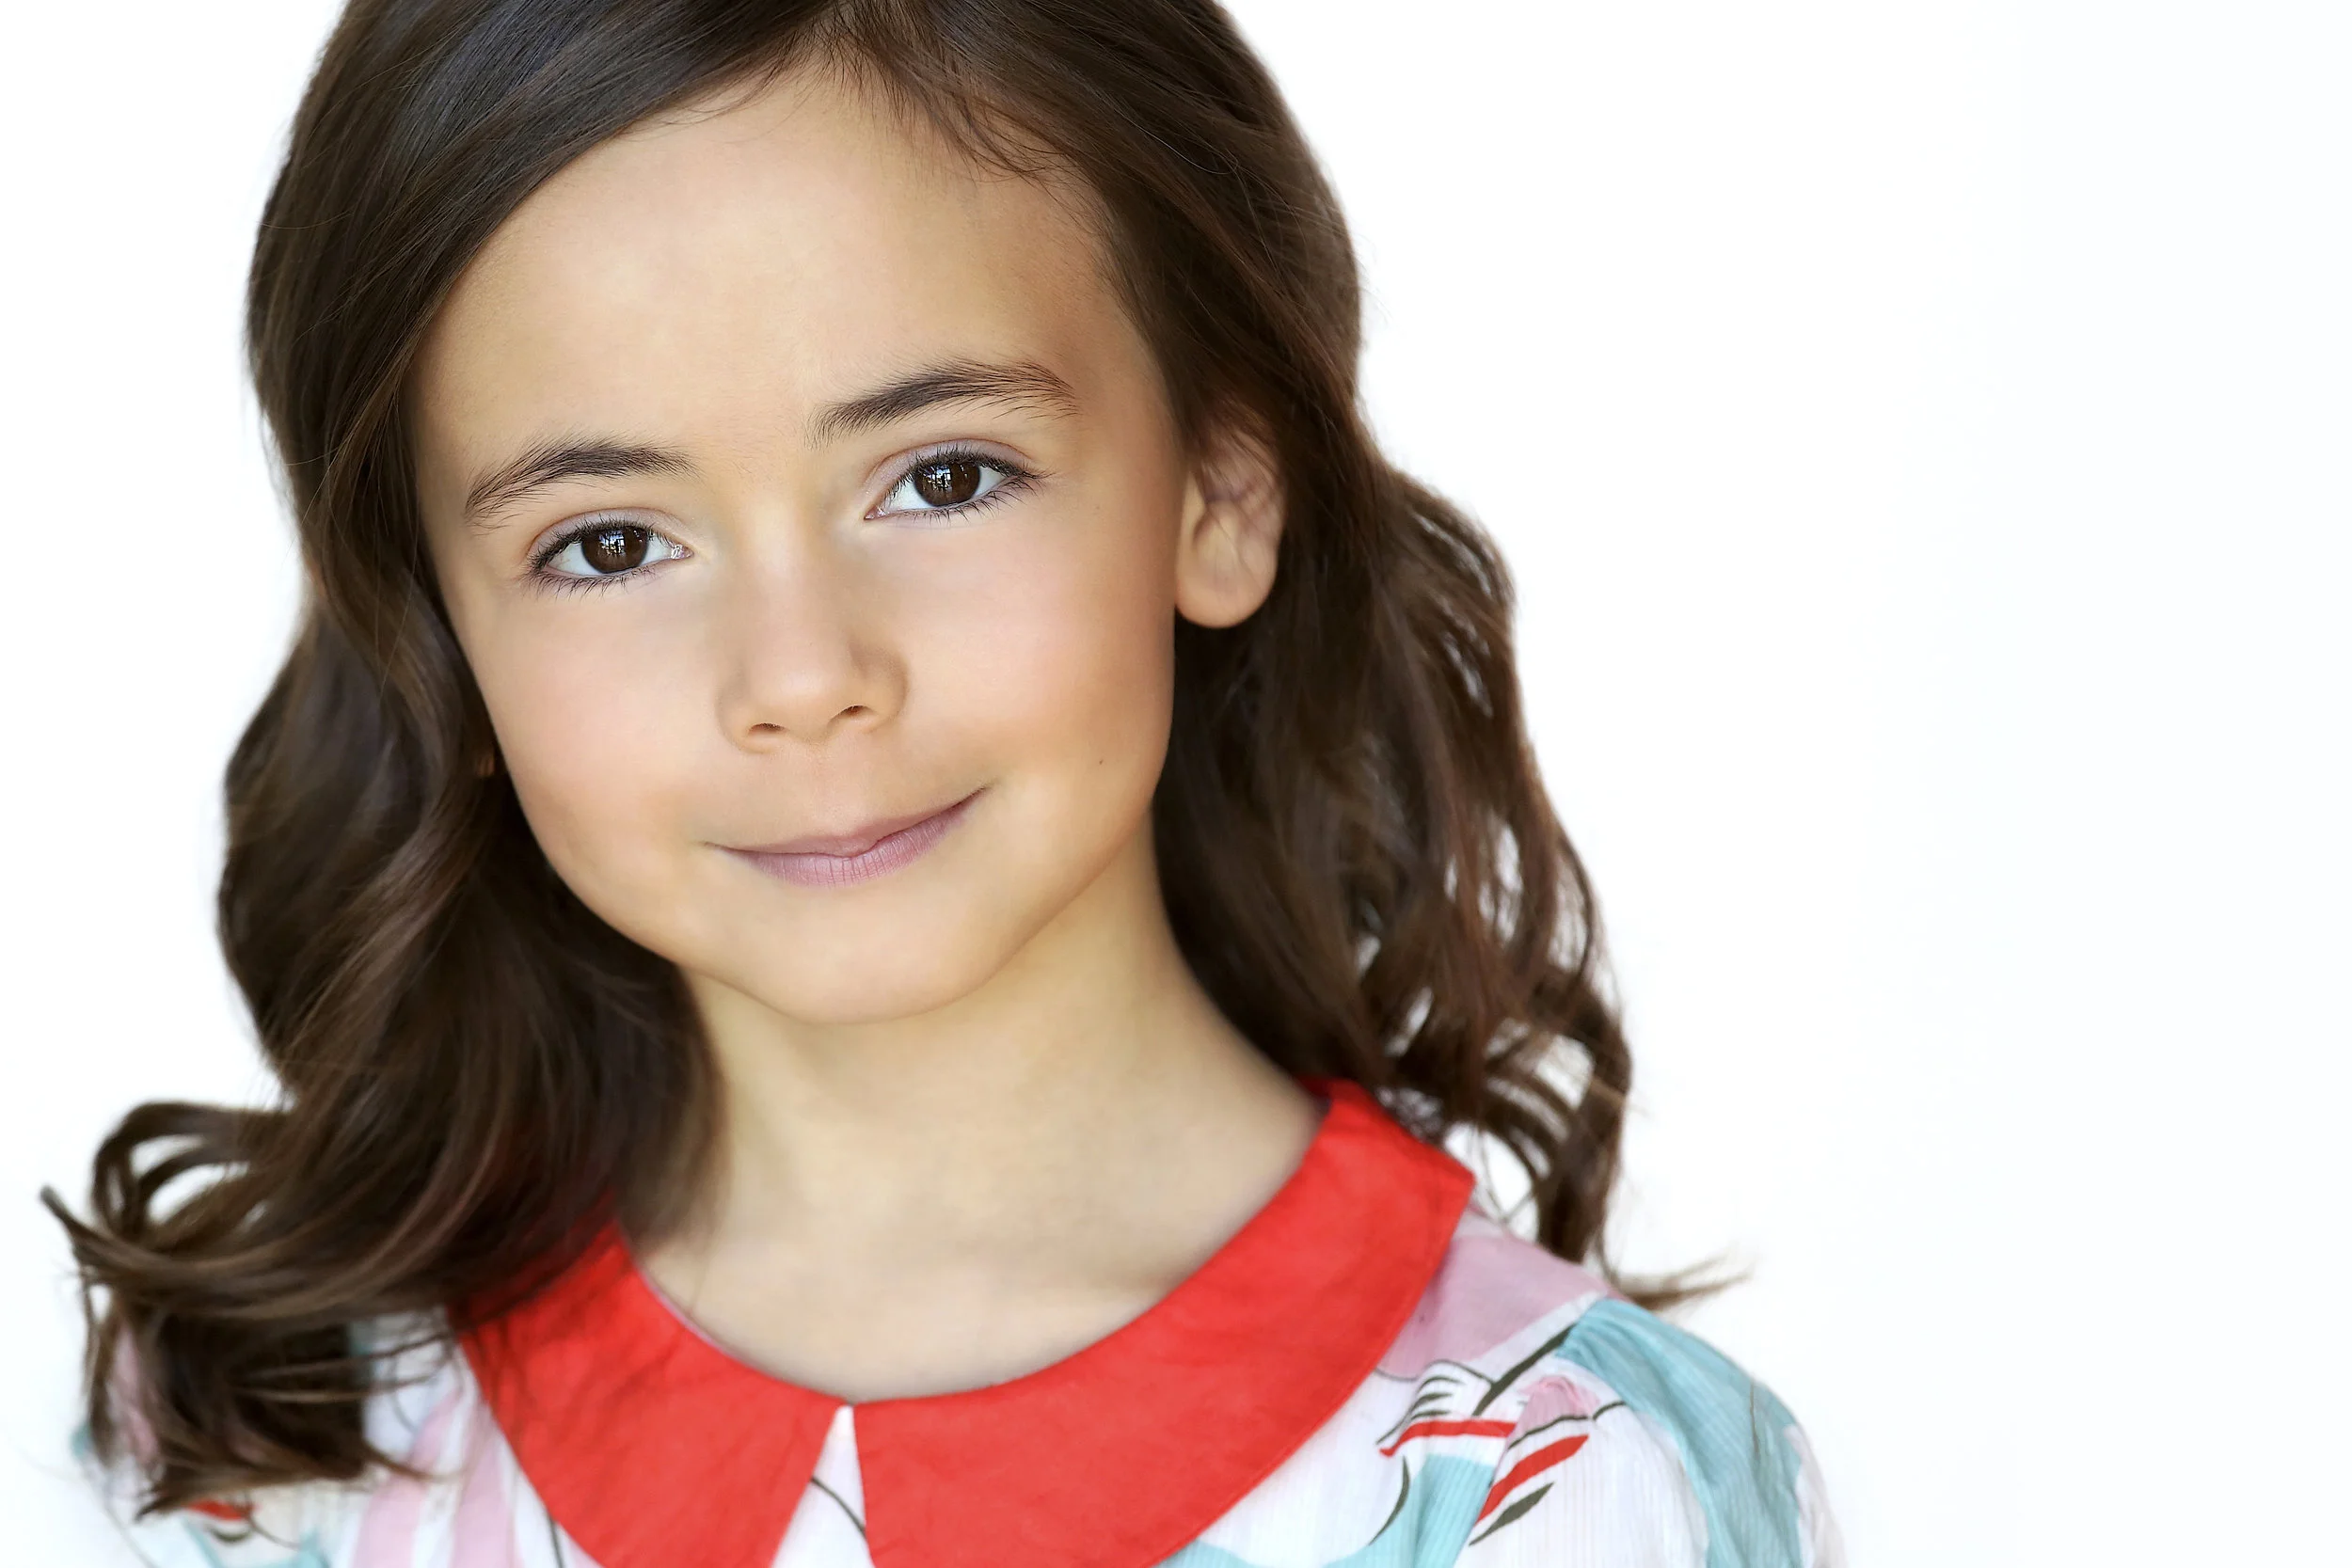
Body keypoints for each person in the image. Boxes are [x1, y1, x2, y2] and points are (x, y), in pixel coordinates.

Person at [48, 2, 1841, 1564]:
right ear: (438, 620)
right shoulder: (247, 1461)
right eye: (607, 542)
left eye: (948, 478)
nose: (807, 678)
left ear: (1221, 479)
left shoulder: (1589, 1493)